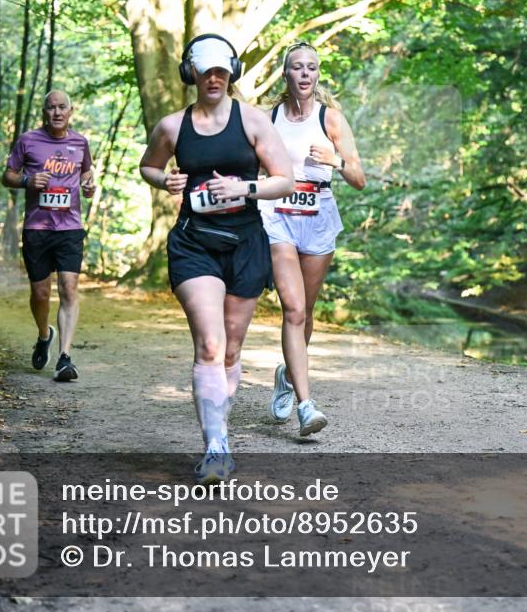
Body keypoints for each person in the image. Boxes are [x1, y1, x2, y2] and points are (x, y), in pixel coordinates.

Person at [138, 33, 293, 483]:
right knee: (209, 344)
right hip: (194, 243)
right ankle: (216, 446)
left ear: (232, 74)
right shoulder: (172, 126)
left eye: (222, 72)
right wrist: (162, 180)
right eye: (206, 72)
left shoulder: (254, 122)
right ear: (192, 74)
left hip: (245, 244)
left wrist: (243, 188)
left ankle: (218, 428)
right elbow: (149, 165)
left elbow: (285, 180)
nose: (214, 79)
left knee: (231, 348)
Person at [262, 41, 365, 436]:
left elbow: (358, 179)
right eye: (296, 67)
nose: (304, 74)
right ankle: (306, 406)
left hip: (318, 217)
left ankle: (286, 376)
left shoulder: (331, 120)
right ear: (285, 74)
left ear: (318, 74)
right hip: (277, 218)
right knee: (293, 310)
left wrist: (335, 160)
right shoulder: (268, 117)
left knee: (306, 314)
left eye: (311, 68)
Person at [3, 90, 95, 382]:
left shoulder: (80, 142)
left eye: (62, 107)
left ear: (71, 111)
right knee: (40, 293)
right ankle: (45, 335)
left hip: (69, 227)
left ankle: (64, 357)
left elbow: (86, 173)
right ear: (45, 112)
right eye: (51, 108)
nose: (57, 112)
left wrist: (89, 185)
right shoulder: (28, 140)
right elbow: (8, 175)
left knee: (68, 289)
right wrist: (28, 181)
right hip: (37, 229)